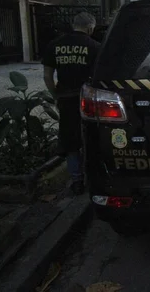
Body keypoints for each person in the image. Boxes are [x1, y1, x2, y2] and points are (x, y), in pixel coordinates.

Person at [43, 12, 101, 195]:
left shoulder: (55, 45)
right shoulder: (95, 46)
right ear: (91, 27)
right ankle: (94, 177)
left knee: (70, 140)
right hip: (89, 99)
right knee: (92, 137)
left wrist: (56, 95)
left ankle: (76, 181)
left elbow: (47, 76)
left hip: (66, 99)